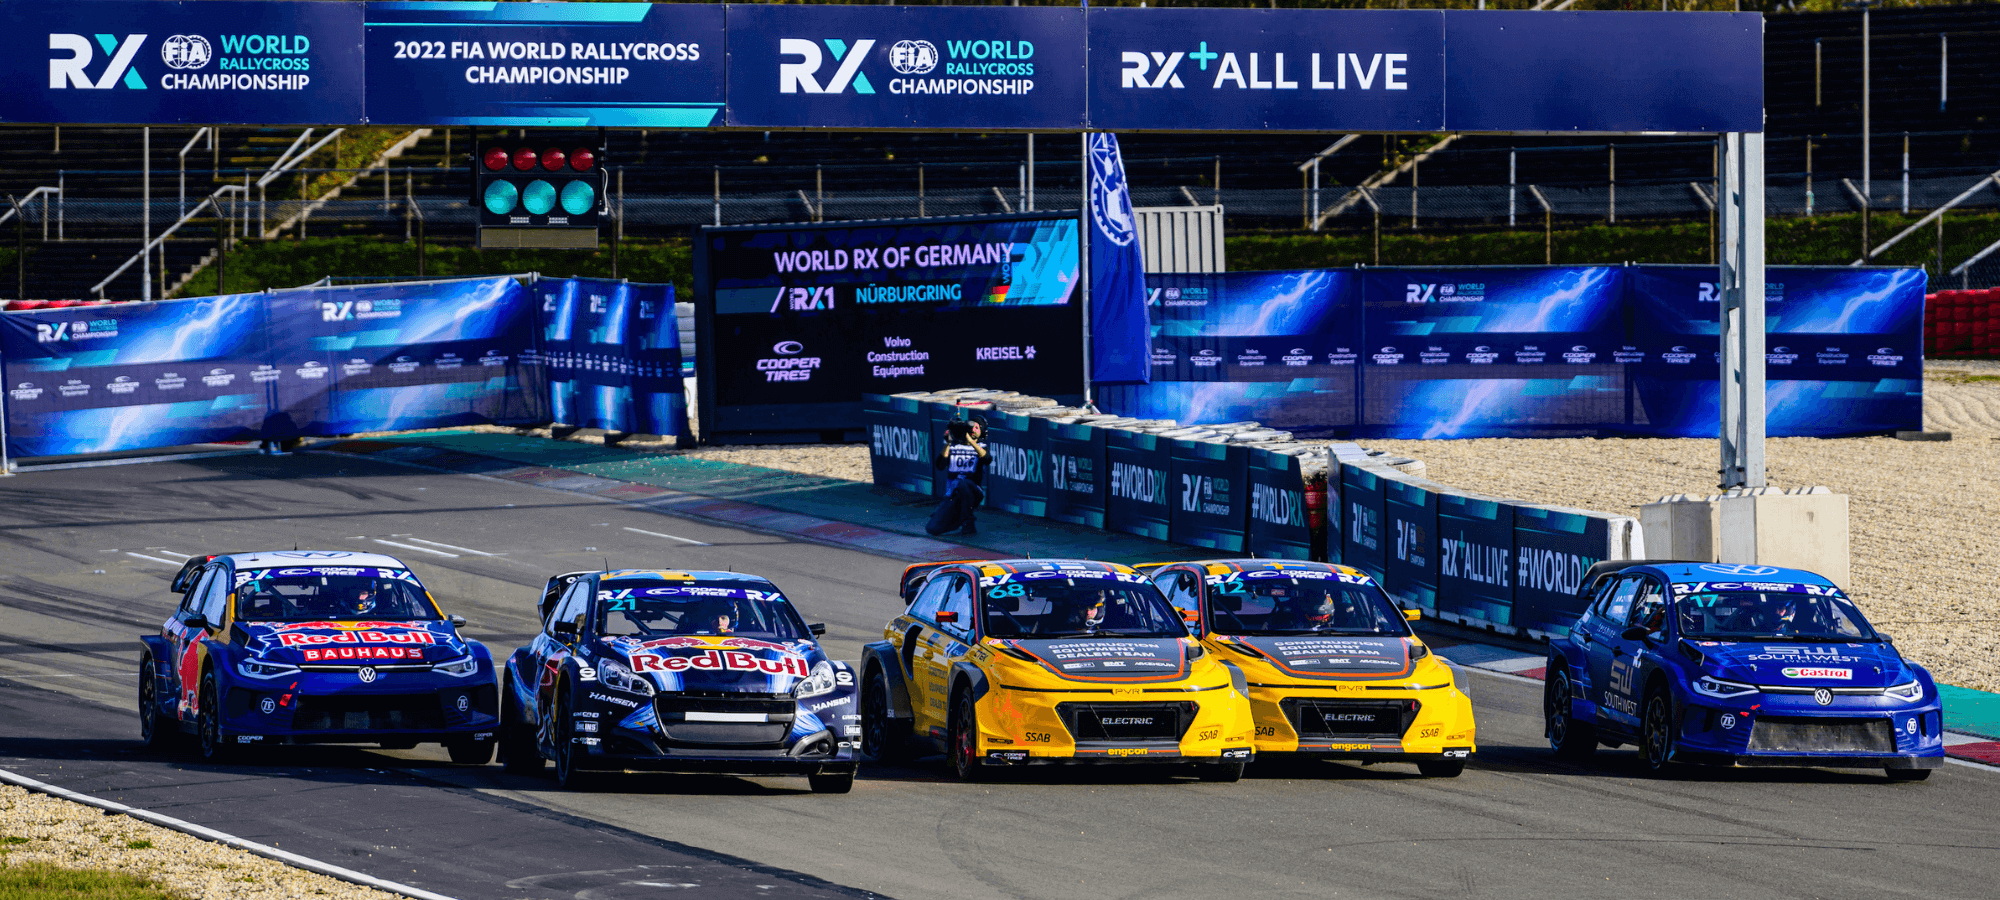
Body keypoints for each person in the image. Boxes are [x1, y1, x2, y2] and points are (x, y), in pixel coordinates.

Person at [925, 413, 988, 536]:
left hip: (973, 491)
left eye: (977, 428)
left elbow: (987, 459)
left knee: (963, 484)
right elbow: (940, 465)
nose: (973, 430)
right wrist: (948, 443)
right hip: (953, 495)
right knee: (932, 529)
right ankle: (957, 519)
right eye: (972, 427)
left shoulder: (982, 447)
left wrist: (971, 442)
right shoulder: (953, 446)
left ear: (982, 432)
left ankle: (968, 522)